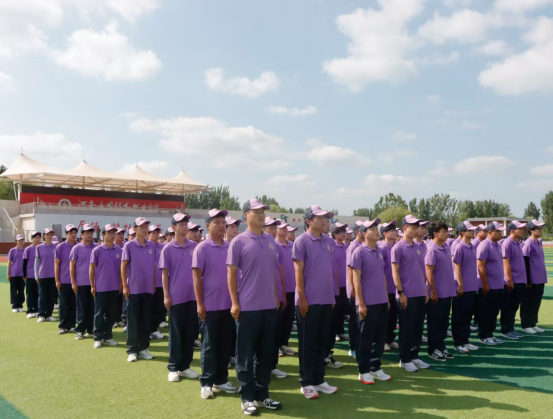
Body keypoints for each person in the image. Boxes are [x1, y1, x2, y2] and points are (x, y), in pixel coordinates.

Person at [227, 198, 282, 415]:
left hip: (269, 307)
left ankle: (262, 394)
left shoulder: (270, 239)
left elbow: (272, 272)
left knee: (266, 355)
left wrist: (275, 297)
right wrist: (234, 302)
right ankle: (247, 397)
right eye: (256, 211)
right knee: (245, 355)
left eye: (263, 211)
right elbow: (231, 274)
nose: (261, 215)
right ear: (245, 216)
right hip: (247, 308)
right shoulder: (238, 242)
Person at [293, 205, 339, 400]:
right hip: (309, 301)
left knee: (322, 342)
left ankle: (319, 379)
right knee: (308, 343)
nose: (324, 221)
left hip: (326, 299)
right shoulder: (301, 241)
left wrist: (332, 295)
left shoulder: (329, 241)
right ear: (309, 221)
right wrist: (302, 297)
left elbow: (330, 270)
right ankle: (306, 382)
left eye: (325, 218)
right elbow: (298, 271)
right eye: (319, 218)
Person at [193, 208, 238, 399]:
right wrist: (199, 303)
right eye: (216, 222)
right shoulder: (202, 248)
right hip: (209, 306)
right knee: (209, 346)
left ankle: (221, 379)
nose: (221, 225)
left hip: (228, 306)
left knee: (225, 344)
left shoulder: (230, 247)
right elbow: (196, 277)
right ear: (207, 226)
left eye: (223, 222)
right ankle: (207, 382)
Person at [351, 219, 392, 384]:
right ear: (363, 233)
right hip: (367, 302)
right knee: (365, 338)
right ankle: (363, 370)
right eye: (371, 229)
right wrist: (361, 303)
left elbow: (382, 275)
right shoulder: (359, 252)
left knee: (380, 337)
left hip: (381, 300)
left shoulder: (380, 251)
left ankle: (376, 367)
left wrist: (386, 298)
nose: (376, 231)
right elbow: (356, 279)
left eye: (376, 228)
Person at [160, 213, 200, 380]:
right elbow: (164, 274)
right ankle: (173, 367)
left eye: (186, 223)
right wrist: (166, 295)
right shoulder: (168, 249)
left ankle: (185, 366)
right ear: (174, 227)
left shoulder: (194, 246)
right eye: (181, 224)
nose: (185, 226)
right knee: (176, 333)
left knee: (190, 333)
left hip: (193, 297)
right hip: (176, 297)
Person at [391, 215, 430, 372]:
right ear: (405, 228)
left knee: (417, 328)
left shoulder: (418, 247)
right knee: (407, 328)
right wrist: (401, 292)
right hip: (407, 294)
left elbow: (421, 271)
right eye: (413, 227)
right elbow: (395, 272)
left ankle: (414, 355)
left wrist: (425, 290)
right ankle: (405, 358)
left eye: (417, 227)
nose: (416, 230)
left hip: (419, 293)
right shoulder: (398, 248)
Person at [122, 217, 156, 362]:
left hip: (147, 289)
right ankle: (132, 350)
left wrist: (153, 283)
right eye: (141, 227)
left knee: (145, 320)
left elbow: (153, 266)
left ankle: (143, 348)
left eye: (146, 227)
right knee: (133, 320)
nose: (144, 229)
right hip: (133, 289)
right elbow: (123, 265)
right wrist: (125, 286)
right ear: (135, 229)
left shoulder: (151, 245)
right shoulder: (129, 245)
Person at [425, 222, 457, 362]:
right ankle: (433, 349)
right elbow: (429, 272)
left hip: (447, 292)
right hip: (437, 293)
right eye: (443, 231)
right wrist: (433, 291)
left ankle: (441, 346)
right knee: (435, 323)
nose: (447, 234)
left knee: (443, 322)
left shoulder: (445, 248)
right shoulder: (432, 249)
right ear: (435, 233)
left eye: (446, 231)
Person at [262, 217, 288, 379]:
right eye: (269, 227)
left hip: (276, 296)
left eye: (274, 227)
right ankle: (261, 368)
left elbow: (281, 272)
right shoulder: (258, 245)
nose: (272, 230)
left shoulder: (275, 247)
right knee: (262, 336)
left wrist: (282, 294)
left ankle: (272, 366)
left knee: (274, 333)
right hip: (261, 298)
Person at [90, 224, 122, 348]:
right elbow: (92, 268)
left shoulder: (119, 251)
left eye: (114, 232)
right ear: (103, 235)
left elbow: (121, 270)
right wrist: (92, 285)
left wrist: (121, 284)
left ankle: (108, 336)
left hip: (114, 287)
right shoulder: (97, 250)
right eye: (109, 232)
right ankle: (98, 337)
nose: (112, 235)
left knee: (111, 313)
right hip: (101, 287)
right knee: (99, 313)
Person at [451, 221, 480, 353]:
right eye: (470, 230)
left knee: (468, 316)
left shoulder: (472, 246)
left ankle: (465, 340)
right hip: (463, 288)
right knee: (459, 316)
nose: (473, 232)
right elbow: (456, 267)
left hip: (472, 287)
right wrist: (460, 285)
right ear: (463, 232)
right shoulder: (459, 247)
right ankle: (458, 342)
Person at [476, 222, 506, 345]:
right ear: (490, 232)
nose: (501, 233)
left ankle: (490, 334)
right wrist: (485, 283)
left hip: (498, 285)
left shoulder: (497, 245)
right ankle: (484, 336)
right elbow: (480, 264)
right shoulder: (485, 245)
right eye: (498, 231)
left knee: (494, 312)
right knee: (486, 312)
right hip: (489, 286)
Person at [500, 220, 528, 340]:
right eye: (519, 229)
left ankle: (511, 329)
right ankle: (506, 330)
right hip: (513, 280)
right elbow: (506, 262)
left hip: (520, 280)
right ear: (512, 230)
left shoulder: (517, 243)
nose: (522, 231)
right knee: (508, 306)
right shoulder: (508, 243)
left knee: (514, 306)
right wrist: (509, 279)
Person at [70, 224, 97, 340]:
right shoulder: (76, 248)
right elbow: (72, 266)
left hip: (94, 283)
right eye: (87, 233)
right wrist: (73, 282)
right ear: (81, 235)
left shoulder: (97, 247)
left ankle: (90, 330)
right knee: (81, 308)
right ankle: (80, 330)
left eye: (91, 232)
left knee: (93, 308)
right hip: (81, 283)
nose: (90, 235)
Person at [521, 219, 548, 334]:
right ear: (531, 230)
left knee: (536, 302)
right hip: (532, 279)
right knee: (528, 302)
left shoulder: (539, 242)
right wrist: (528, 279)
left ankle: (533, 323)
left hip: (540, 278)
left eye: (541, 228)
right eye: (538, 228)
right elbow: (525, 261)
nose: (541, 230)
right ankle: (526, 325)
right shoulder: (528, 243)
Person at [275, 222, 296, 357]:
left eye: (285, 227)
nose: (285, 229)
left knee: (288, 320)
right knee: (278, 320)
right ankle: (276, 345)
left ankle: (284, 344)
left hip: (293, 288)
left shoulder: (293, 245)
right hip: (279, 289)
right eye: (281, 227)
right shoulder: (274, 245)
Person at [378, 221, 399, 351]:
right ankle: (382, 340)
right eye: (391, 230)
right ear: (384, 233)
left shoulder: (395, 247)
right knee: (385, 317)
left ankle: (390, 338)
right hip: (386, 288)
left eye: (394, 230)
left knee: (393, 316)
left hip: (395, 288)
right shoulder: (382, 248)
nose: (394, 232)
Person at [55, 224, 78, 334]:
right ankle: (63, 326)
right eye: (70, 233)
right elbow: (56, 265)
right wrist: (57, 280)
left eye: (75, 233)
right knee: (63, 304)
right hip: (64, 280)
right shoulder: (60, 247)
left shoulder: (79, 246)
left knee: (74, 304)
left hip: (77, 281)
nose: (73, 235)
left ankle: (72, 325)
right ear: (66, 234)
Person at [345, 221, 364, 357]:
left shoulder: (363, 246)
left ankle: (359, 345)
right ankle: (352, 347)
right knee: (354, 320)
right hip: (354, 290)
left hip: (362, 290)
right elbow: (349, 269)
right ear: (358, 232)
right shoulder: (353, 247)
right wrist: (352, 288)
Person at [35, 228, 58, 323]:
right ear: (44, 236)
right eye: (47, 235)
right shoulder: (39, 247)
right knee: (42, 296)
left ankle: (49, 314)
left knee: (51, 296)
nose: (49, 236)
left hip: (53, 276)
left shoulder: (56, 247)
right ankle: (41, 314)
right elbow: (36, 262)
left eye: (51, 235)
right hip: (42, 275)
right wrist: (36, 275)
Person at [331, 223, 349, 343]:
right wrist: (336, 283)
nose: (344, 235)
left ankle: (341, 331)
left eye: (344, 232)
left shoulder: (347, 247)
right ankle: (335, 332)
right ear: (335, 234)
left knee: (343, 308)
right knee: (335, 310)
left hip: (346, 284)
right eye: (341, 233)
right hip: (336, 284)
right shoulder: (332, 246)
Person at [148, 225, 166, 340]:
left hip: (160, 283)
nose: (155, 235)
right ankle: (147, 330)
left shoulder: (163, 248)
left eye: (157, 233)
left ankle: (153, 329)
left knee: (158, 308)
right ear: (148, 234)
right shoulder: (145, 246)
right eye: (153, 233)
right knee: (148, 308)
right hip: (148, 284)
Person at [23, 232, 41, 318]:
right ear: (32, 239)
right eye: (35, 238)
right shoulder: (28, 249)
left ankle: (37, 310)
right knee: (30, 293)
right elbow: (24, 263)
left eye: (38, 238)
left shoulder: (41, 248)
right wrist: (24, 275)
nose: (37, 239)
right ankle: (30, 310)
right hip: (30, 275)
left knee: (38, 293)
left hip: (39, 275)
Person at [7, 234, 26, 313]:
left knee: (21, 290)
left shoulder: (26, 250)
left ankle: (20, 305)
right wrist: (8, 274)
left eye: (22, 240)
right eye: (19, 240)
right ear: (16, 241)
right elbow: (9, 263)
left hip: (23, 274)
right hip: (13, 274)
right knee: (13, 291)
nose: (21, 242)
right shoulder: (12, 250)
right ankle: (14, 306)